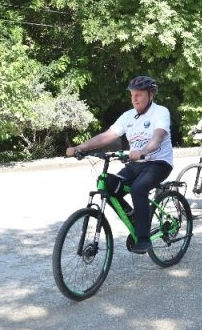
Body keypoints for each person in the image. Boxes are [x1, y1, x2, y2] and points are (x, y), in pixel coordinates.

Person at [66, 76, 173, 254]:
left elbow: (158, 137)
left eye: (139, 95)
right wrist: (80, 147)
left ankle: (144, 238)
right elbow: (107, 136)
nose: (134, 99)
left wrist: (143, 151)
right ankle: (134, 216)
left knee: (138, 188)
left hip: (158, 163)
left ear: (150, 95)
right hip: (135, 164)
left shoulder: (160, 112)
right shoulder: (128, 116)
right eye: (132, 95)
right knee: (108, 184)